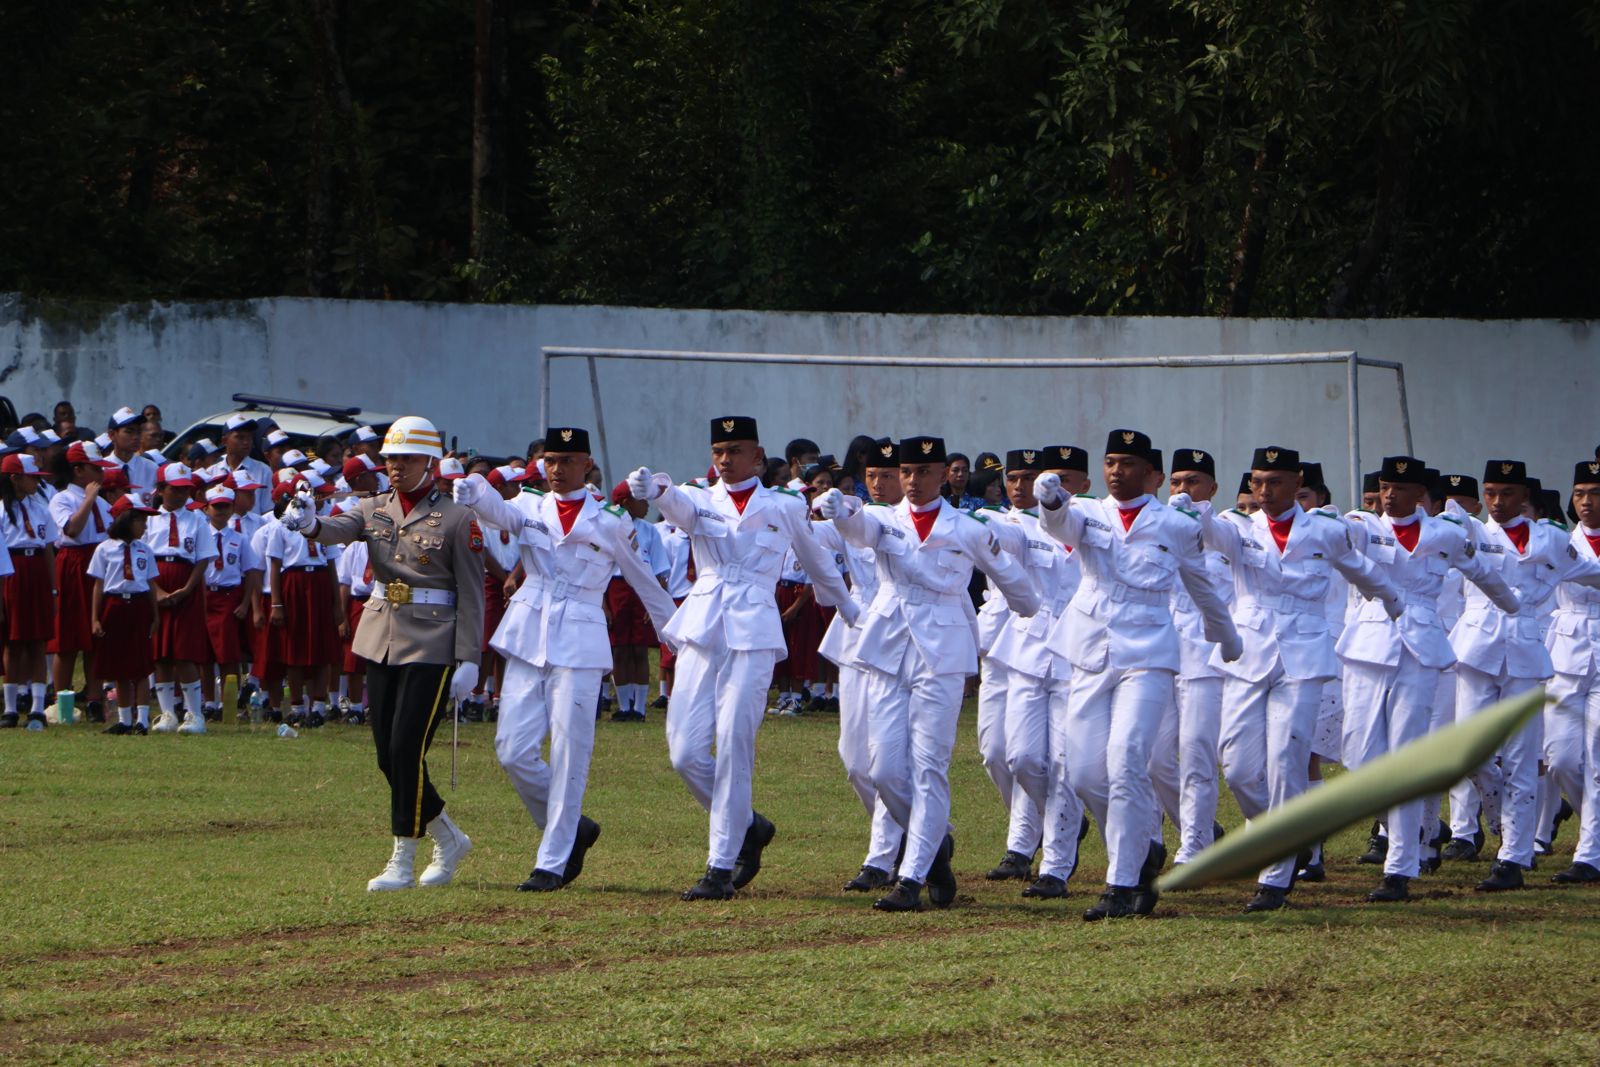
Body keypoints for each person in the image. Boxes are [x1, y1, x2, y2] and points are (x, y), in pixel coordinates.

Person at [627, 416, 857, 901]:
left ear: (758, 456)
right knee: (685, 751)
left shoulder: (785, 505)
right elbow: (676, 505)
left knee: (734, 741)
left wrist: (853, 612)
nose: (725, 460)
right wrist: (655, 490)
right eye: (718, 451)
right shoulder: (699, 496)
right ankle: (748, 824)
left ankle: (720, 864)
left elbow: (818, 565)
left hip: (752, 627)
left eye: (735, 450)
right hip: (705, 623)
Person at [1174, 446, 1399, 912]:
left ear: (1297, 483)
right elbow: (1209, 533)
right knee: (1236, 764)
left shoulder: (1325, 529)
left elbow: (1359, 569)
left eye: (1274, 482)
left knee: (1286, 757)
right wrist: (1191, 509)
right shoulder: (1239, 528)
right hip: (1249, 652)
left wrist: (1395, 601)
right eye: (1257, 482)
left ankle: (1274, 878)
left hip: (1303, 654)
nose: (1264, 491)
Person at [815, 436, 1035, 912]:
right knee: (884, 768)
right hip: (890, 645)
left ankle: (911, 877)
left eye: (922, 472)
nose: (913, 482)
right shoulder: (884, 519)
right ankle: (933, 849)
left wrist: (1033, 611)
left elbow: (1009, 576)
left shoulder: (967, 525)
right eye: (907, 472)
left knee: (929, 765)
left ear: (943, 474)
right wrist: (838, 509)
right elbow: (857, 528)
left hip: (943, 648)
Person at [1032, 429, 1242, 921]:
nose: (1115, 472)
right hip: (1089, 649)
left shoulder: (1176, 524)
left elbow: (1201, 585)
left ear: (1155, 476)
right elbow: (1061, 526)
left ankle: (1121, 883)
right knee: (1084, 772)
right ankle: (1145, 846)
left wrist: (1226, 637)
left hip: (1148, 650)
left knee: (1127, 758)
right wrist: (1050, 501)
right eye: (1109, 462)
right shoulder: (1088, 513)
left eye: (1127, 464)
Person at [456, 426, 676, 890]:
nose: (555, 469)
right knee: (512, 750)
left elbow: (642, 579)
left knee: (571, 751)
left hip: (579, 634)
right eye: (550, 460)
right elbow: (497, 512)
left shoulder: (612, 519)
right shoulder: (529, 504)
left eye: (566, 461)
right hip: (528, 629)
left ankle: (552, 860)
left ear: (587, 465)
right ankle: (572, 828)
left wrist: (674, 632)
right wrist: (475, 492)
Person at [285, 415, 486, 892]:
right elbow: (335, 529)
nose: (396, 468)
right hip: (380, 633)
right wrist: (311, 522)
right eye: (391, 459)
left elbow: (473, 592)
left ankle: (403, 856)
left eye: (407, 459)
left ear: (430, 462)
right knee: (385, 756)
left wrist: (470, 657)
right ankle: (450, 836)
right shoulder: (372, 506)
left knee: (406, 750)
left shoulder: (459, 518)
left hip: (433, 642)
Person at [1338, 455, 1521, 902]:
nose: (1389, 494)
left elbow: (1482, 573)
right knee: (1358, 757)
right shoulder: (1363, 526)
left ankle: (1399, 866)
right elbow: (1334, 541)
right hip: (1368, 643)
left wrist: (1516, 609)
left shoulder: (1446, 533)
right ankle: (1421, 826)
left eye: (1399, 488)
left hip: (1420, 647)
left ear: (1421, 494)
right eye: (1384, 486)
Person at [1447, 460, 1600, 892]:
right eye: (1491, 493)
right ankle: (1502, 822)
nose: (1498, 502)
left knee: (1524, 758)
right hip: (1478, 652)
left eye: (1507, 494)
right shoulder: (1470, 532)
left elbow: (1587, 573)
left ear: (1525, 498)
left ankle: (1515, 856)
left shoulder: (1550, 540)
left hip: (1527, 654)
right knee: (1472, 754)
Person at [983, 448, 1085, 900]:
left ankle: (1056, 865)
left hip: (1079, 651)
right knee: (1017, 756)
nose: (1042, 487)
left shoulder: (1097, 523)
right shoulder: (1024, 525)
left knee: (1064, 761)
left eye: (1060, 478)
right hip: (1028, 647)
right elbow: (999, 534)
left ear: (1081, 481)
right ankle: (1060, 825)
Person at [812, 437, 906, 891]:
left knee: (887, 756)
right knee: (853, 758)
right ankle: (912, 831)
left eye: (888, 475)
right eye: (872, 476)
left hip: (901, 638)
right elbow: (810, 538)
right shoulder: (853, 516)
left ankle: (883, 854)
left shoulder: (912, 523)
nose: (880, 483)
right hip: (856, 634)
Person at [1152, 448, 1233, 867]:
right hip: (1162, 654)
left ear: (1212, 488)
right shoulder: (1157, 528)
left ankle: (1194, 844)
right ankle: (1196, 826)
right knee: (1154, 757)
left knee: (1197, 750)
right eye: (1177, 482)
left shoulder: (1229, 530)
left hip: (1208, 657)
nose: (1182, 490)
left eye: (1193, 482)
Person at [1545, 460, 1600, 883]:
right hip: (1566, 655)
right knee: (1562, 759)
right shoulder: (1560, 542)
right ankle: (1593, 831)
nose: (1586, 502)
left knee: (1597, 757)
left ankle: (1589, 854)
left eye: (1595, 493)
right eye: (1580, 493)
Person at [145, 462, 218, 734]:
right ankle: (166, 713)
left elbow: (203, 558)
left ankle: (194, 714)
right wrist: (157, 591)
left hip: (186, 584)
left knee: (185, 652)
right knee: (161, 653)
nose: (180, 495)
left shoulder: (197, 519)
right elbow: (143, 556)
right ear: (162, 489)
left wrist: (187, 589)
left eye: (186, 490)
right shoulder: (150, 519)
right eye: (175, 490)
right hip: (157, 581)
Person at [49, 441, 116, 722]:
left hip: (99, 563)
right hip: (74, 562)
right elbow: (72, 529)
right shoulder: (63, 498)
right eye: (94, 468)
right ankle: (61, 699)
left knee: (96, 635)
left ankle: (94, 698)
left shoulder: (103, 502)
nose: (100, 474)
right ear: (78, 470)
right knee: (68, 636)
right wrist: (88, 499)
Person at [92, 494, 161, 735]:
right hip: (115, 605)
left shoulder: (145, 550)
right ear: (126, 520)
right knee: (120, 667)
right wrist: (95, 617)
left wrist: (155, 615)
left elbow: (151, 583)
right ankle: (124, 720)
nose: (144, 525)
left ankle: (142, 719)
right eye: (140, 520)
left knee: (141, 666)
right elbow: (99, 585)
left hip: (139, 605)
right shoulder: (105, 549)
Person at [605, 481, 670, 721]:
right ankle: (624, 706)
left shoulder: (650, 530)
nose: (646, 506)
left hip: (642, 589)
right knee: (620, 650)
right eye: (641, 501)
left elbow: (661, 569)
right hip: (616, 588)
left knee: (640, 650)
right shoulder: (608, 526)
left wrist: (655, 603)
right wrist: (604, 605)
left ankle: (640, 708)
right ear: (625, 503)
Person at [198, 485, 263, 721]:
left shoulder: (239, 539)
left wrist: (246, 603)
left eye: (226, 506)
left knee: (228, 656)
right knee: (204, 656)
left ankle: (229, 704)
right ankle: (209, 702)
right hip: (205, 595)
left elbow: (252, 572)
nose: (222, 511)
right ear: (206, 509)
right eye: (217, 507)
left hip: (228, 596)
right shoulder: (199, 535)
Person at [0, 454, 50, 728]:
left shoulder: (41, 508)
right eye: (32, 477)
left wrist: (53, 588)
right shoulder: (0, 510)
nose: (36, 483)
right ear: (14, 478)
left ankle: (38, 707)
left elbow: (50, 549)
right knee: (14, 641)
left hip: (37, 569)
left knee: (38, 642)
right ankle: (9, 708)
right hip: (11, 570)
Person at [106, 407, 157, 492]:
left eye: (139, 432)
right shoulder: (102, 469)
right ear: (112, 435)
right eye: (129, 432)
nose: (136, 437)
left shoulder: (151, 469)